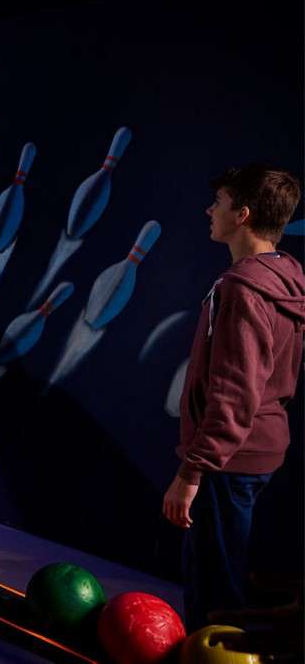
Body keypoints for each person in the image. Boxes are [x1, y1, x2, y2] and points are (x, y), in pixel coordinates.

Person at [163, 163, 303, 630]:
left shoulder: (242, 289)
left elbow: (234, 392)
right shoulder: (286, 276)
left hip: (228, 458)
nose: (210, 210)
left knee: (214, 589)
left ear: (242, 215)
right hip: (260, 447)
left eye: (218, 203)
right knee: (226, 573)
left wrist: (192, 471)